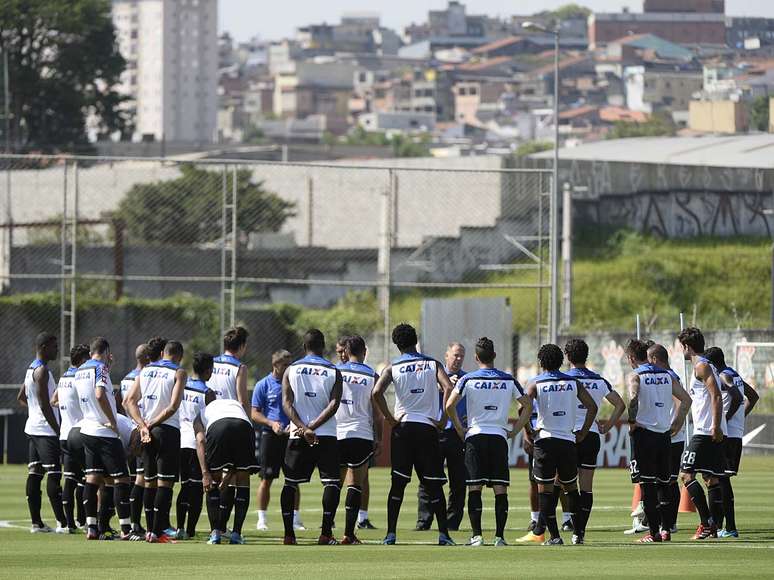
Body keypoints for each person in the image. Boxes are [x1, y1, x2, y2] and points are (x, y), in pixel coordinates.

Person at [372, 323, 456, 546]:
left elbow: (376, 392)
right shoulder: (432, 363)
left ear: (396, 344)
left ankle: (390, 534)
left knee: (398, 483)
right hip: (427, 428)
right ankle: (444, 535)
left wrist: (390, 420)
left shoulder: (392, 367)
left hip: (403, 429)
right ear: (416, 340)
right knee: (433, 484)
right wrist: (442, 419)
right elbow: (448, 387)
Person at [446, 337, 532, 547]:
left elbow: (449, 405)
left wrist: (460, 429)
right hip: (498, 438)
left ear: (476, 358)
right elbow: (528, 407)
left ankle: (477, 536)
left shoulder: (468, 380)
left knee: (474, 487)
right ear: (494, 356)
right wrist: (515, 430)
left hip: (475, 436)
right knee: (500, 488)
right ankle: (500, 537)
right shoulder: (508, 380)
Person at [516, 344, 597, 546]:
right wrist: (584, 431)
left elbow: (522, 407)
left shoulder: (535, 383)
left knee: (545, 490)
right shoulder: (573, 382)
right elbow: (592, 407)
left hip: (545, 442)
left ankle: (554, 536)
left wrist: (529, 430)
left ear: (541, 362)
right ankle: (578, 534)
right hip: (568, 442)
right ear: (561, 361)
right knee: (571, 489)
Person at [625, 339, 692, 543]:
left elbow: (633, 398)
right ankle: (666, 529)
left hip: (645, 435)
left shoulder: (636, 375)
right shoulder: (666, 375)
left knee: (648, 485)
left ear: (631, 358)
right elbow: (686, 400)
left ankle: (653, 533)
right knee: (665, 484)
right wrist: (677, 424)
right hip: (664, 436)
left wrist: (631, 421)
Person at [280, 329, 343, 545]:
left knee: (290, 483)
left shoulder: (291, 369)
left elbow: (286, 403)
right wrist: (313, 427)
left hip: (298, 434)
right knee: (332, 483)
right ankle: (326, 534)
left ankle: (289, 535)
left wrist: (303, 427)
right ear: (323, 346)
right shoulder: (334, 370)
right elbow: (334, 404)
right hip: (325, 434)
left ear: (303, 346)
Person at [563, 338, 626, 544]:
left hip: (569, 435)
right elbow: (620, 405)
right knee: (586, 487)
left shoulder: (564, 379)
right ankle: (579, 533)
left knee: (563, 484)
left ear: (568, 357)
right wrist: (607, 426)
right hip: (591, 435)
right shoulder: (599, 380)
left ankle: (557, 525)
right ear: (586, 356)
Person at [125, 340, 186, 543]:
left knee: (148, 483)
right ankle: (158, 532)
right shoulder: (179, 372)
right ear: (179, 356)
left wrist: (142, 425)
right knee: (165, 484)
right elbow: (172, 407)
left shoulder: (146, 370)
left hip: (146, 431)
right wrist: (152, 423)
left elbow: (129, 401)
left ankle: (150, 531)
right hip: (166, 430)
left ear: (162, 353)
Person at [73, 337, 134, 541]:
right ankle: (126, 529)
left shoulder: (80, 370)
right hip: (104, 431)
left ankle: (92, 527)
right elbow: (100, 394)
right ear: (106, 351)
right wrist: (112, 421)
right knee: (121, 478)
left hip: (87, 429)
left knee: (92, 478)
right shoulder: (101, 369)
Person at [678, 327, 727, 540]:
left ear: (687, 347)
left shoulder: (701, 366)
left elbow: (716, 396)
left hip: (705, 431)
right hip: (710, 429)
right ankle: (713, 526)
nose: (682, 351)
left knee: (686, 474)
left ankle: (706, 524)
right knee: (711, 478)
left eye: (682, 347)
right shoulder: (707, 365)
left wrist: (716, 426)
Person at [704, 346, 759, 538]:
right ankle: (720, 526)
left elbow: (736, 397)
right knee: (720, 479)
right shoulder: (734, 374)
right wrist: (740, 419)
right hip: (735, 434)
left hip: (728, 436)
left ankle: (730, 527)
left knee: (723, 480)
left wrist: (724, 419)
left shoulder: (723, 376)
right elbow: (753, 396)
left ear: (712, 363)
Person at [18, 332, 66, 534]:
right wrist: (58, 430)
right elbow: (45, 405)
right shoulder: (42, 371)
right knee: (54, 475)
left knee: (35, 474)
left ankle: (36, 523)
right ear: (44, 347)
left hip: (33, 427)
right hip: (45, 431)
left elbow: (21, 397)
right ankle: (63, 524)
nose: (57, 350)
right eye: (54, 346)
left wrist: (34, 411)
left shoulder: (31, 368)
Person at [251, 350, 304, 532]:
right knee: (266, 478)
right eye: (285, 365)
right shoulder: (263, 385)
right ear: (275, 365)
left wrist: (294, 424)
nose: (289, 368)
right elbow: (254, 412)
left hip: (291, 435)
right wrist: (271, 422)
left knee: (293, 479)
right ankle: (262, 519)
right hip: (270, 436)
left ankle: (296, 519)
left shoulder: (295, 384)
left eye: (291, 364)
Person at [416, 342, 467, 532]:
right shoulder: (434, 376)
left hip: (457, 434)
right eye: (455, 355)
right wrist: (442, 386)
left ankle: (452, 522)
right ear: (446, 356)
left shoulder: (466, 380)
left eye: (461, 355)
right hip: (436, 431)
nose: (458, 359)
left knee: (458, 480)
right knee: (428, 478)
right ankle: (424, 521)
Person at [336, 335, 381, 545]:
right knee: (355, 483)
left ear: (345, 350)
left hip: (336, 432)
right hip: (361, 433)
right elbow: (377, 412)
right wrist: (378, 438)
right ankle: (348, 534)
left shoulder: (336, 371)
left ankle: (326, 531)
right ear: (364, 351)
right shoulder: (372, 374)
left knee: (332, 483)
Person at [197, 397, 258, 545]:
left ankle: (215, 534)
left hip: (218, 427)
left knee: (214, 479)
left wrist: (205, 474)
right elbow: (234, 457)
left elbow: (200, 441)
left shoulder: (201, 413)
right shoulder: (234, 404)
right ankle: (236, 534)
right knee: (243, 478)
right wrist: (230, 473)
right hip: (244, 426)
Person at [646, 343, 686, 535]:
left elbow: (681, 401)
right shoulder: (671, 375)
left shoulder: (668, 377)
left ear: (654, 359)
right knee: (669, 480)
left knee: (665, 481)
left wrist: (675, 424)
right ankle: (668, 523)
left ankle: (666, 523)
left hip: (670, 435)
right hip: (672, 435)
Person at [51, 343, 90, 532]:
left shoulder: (63, 377)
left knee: (70, 479)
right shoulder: (80, 378)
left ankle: (69, 524)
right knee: (85, 478)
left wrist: (67, 405)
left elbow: (53, 400)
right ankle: (83, 520)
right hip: (79, 433)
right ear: (83, 360)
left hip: (64, 434)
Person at [175, 352, 214, 540]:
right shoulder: (207, 393)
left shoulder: (181, 386)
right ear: (208, 371)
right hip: (197, 444)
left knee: (184, 486)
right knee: (197, 488)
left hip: (179, 441)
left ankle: (180, 528)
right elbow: (211, 421)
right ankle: (190, 530)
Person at [117, 344, 151, 536]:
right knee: (142, 479)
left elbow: (121, 403)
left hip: (127, 431)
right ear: (148, 358)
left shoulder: (124, 379)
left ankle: (131, 522)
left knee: (131, 479)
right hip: (141, 431)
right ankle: (136, 524)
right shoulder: (145, 377)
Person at [208, 326, 250, 414]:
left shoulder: (211, 362)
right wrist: (249, 425)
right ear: (242, 346)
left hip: (211, 414)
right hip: (230, 416)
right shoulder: (240, 368)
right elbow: (242, 401)